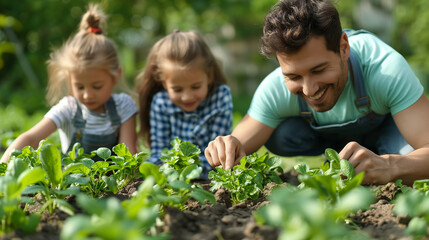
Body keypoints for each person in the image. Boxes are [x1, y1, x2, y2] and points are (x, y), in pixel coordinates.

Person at [205, 0, 429, 185]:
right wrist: (227, 147)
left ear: (343, 48)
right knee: (280, 133)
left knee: (409, 158)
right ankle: (342, 157)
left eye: (319, 70)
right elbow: (238, 144)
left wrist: (391, 165)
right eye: (293, 76)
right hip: (328, 140)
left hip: (388, 128)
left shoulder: (385, 69)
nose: (309, 89)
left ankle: (376, 158)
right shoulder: (274, 87)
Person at [1, 4, 138, 163]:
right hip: (73, 186)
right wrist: (3, 172)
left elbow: (128, 156)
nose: (87, 94)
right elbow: (30, 139)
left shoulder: (123, 106)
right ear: (69, 80)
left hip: (115, 185)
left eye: (97, 86)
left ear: (116, 76)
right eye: (80, 86)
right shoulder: (69, 108)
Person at [136, 30, 233, 179]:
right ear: (164, 83)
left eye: (195, 87)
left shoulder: (220, 97)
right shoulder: (161, 103)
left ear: (209, 76)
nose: (187, 97)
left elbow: (218, 159)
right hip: (175, 177)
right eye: (177, 89)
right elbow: (158, 155)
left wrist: (177, 168)